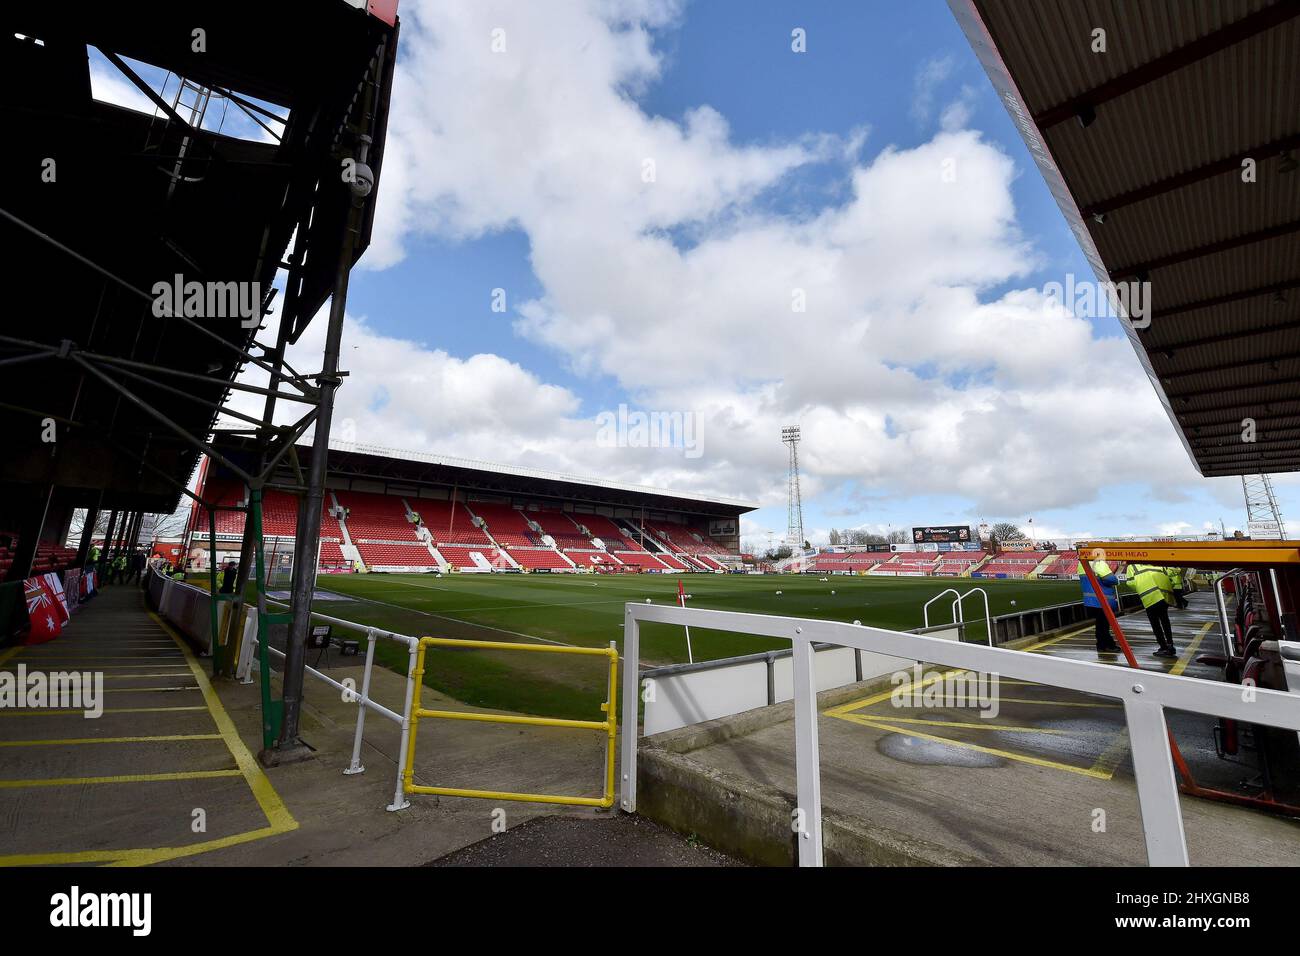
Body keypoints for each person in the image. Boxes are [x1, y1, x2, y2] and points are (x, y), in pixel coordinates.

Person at [1129, 562, 1177, 658]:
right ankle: (1170, 645)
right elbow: (1170, 580)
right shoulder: (1158, 564)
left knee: (1155, 624)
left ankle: (1163, 647)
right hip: (1164, 596)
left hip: (1150, 597)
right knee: (1165, 621)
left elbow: (1131, 583)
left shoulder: (1132, 566)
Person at [1077, 553, 1121, 654]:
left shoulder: (1081, 563)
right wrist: (1116, 580)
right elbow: (1111, 579)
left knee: (1100, 624)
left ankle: (1101, 645)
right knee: (1103, 625)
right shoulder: (1098, 563)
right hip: (1102, 600)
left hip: (1090, 600)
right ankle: (1108, 645)